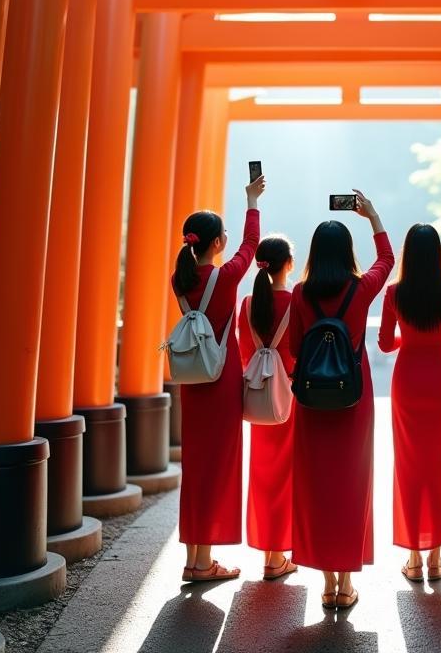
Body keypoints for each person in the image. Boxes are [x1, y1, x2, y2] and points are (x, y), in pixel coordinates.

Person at [289, 190, 394, 611]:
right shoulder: (361, 288)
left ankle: (327, 583)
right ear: (348, 252)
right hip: (354, 396)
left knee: (318, 485)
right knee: (351, 483)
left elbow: (296, 347)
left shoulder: (300, 293)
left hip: (312, 400)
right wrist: (373, 215)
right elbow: (387, 260)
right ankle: (346, 583)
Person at [172, 173, 265, 583]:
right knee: (218, 466)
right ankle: (204, 561)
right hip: (221, 375)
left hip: (192, 380)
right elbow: (250, 247)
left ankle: (194, 557)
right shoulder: (224, 278)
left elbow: (241, 247)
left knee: (196, 466)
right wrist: (252, 200)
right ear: (215, 243)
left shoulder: (181, 280)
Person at [378, 224, 441, 583]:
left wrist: (410, 336)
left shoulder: (394, 293)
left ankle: (414, 559)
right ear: (438, 255)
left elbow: (386, 343)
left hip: (407, 379)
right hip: (439, 378)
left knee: (410, 464)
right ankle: (436, 558)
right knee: (440, 463)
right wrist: (435, 337)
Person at [238, 233, 298, 581]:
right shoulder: (295, 301)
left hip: (258, 397)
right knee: (287, 476)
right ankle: (278, 555)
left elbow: (245, 352)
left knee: (262, 476)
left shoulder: (247, 304)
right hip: (288, 398)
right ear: (288, 264)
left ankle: (267, 552)